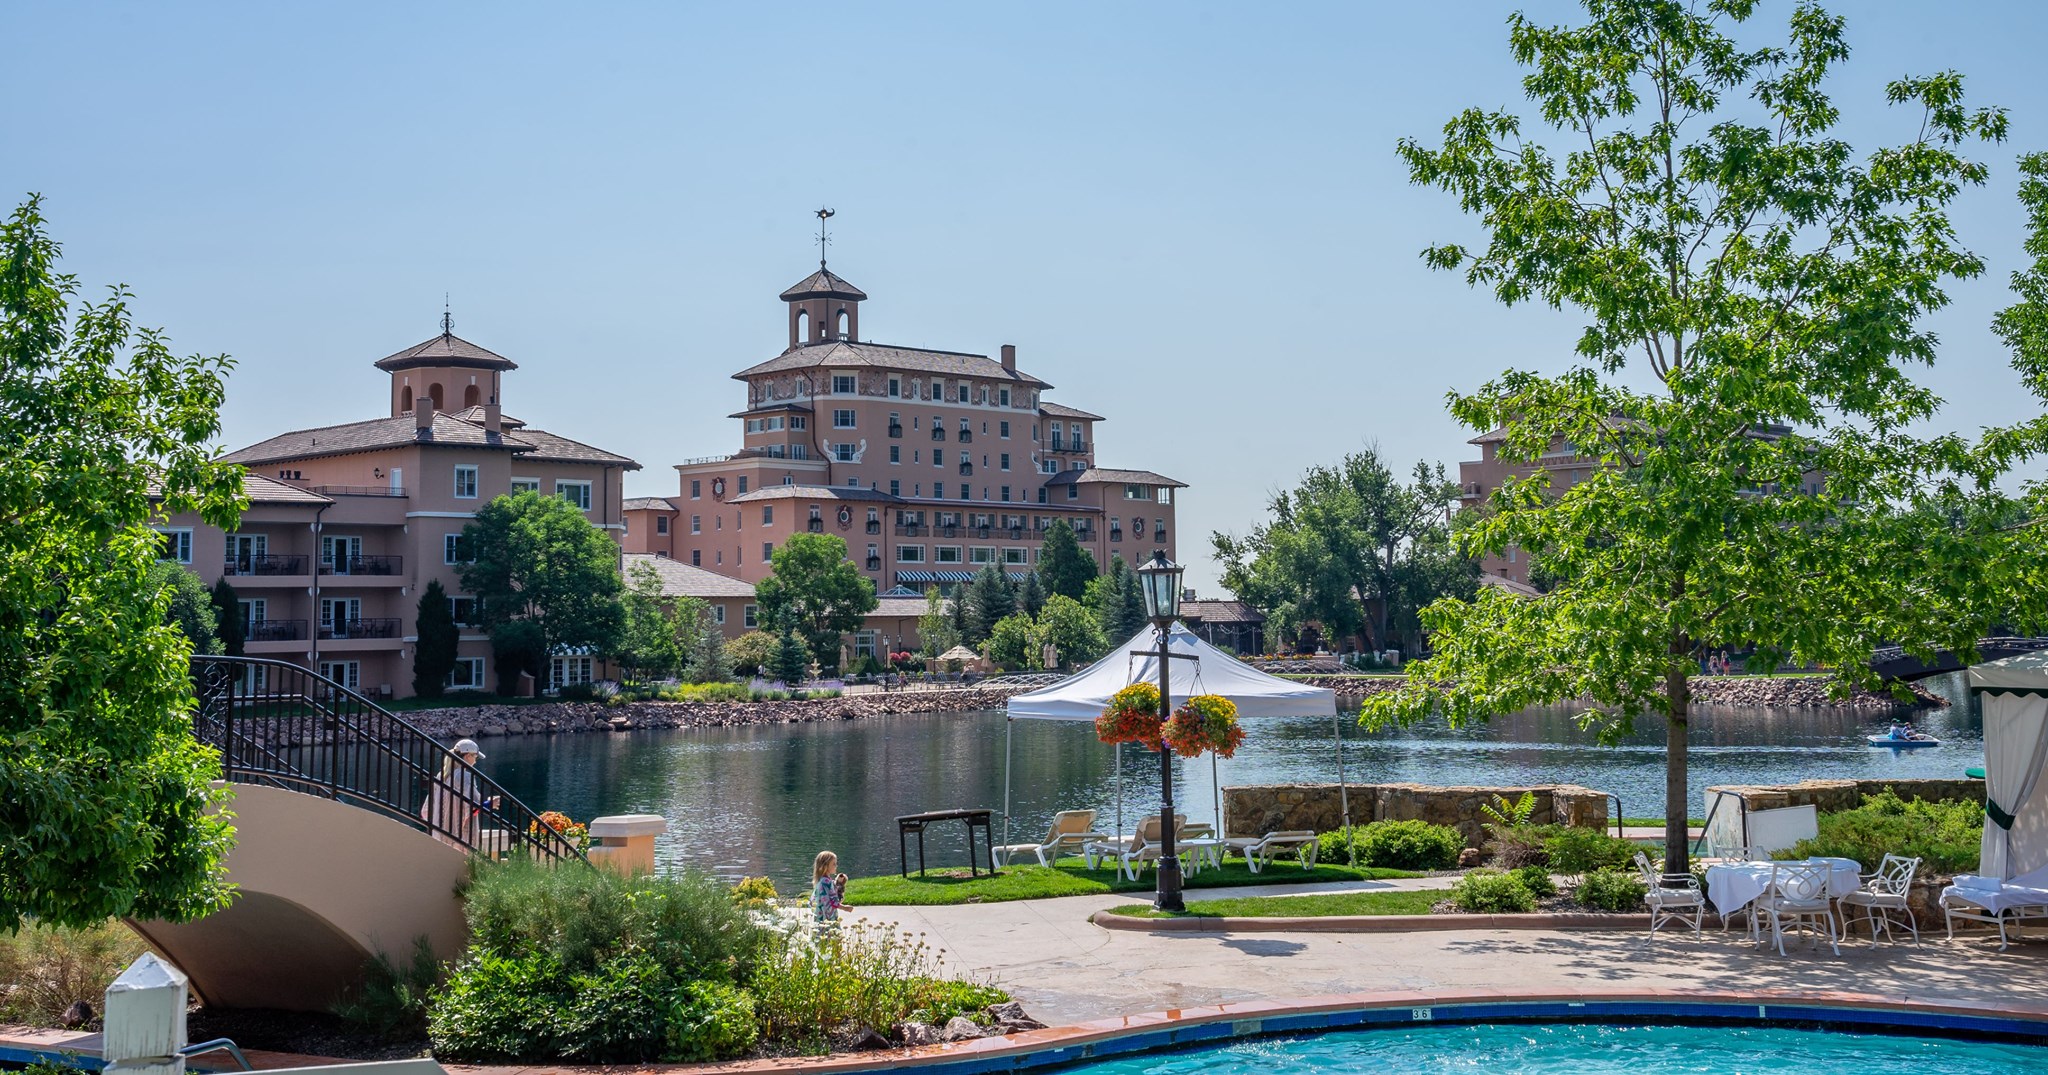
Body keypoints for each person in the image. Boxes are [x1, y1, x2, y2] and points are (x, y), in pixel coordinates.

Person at [421, 738, 498, 850]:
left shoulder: (442, 775)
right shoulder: (465, 776)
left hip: (439, 833)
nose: (475, 761)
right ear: (467, 756)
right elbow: (473, 808)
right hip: (459, 837)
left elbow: (426, 810)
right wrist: (490, 804)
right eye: (475, 757)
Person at [812, 850, 849, 929]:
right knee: (831, 937)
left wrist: (838, 883)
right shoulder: (826, 883)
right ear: (825, 866)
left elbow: (813, 900)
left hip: (820, 915)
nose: (836, 866)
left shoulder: (821, 881)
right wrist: (845, 908)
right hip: (828, 918)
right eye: (834, 864)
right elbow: (833, 902)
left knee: (820, 938)